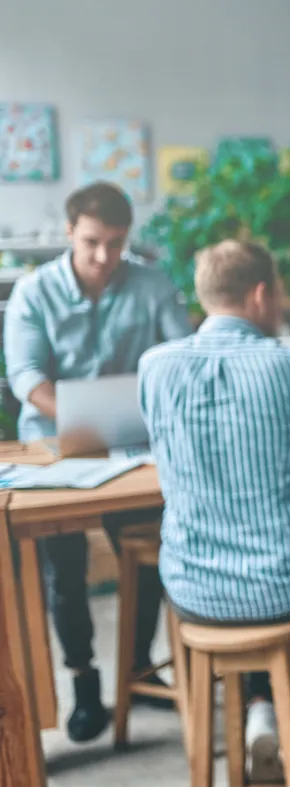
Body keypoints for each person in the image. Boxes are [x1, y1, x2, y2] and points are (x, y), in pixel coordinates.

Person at [138, 240, 290, 781]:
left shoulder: (154, 367)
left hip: (192, 590)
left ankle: (259, 710)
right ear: (260, 294)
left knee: (243, 587)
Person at [2, 182, 192, 742]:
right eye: (92, 242)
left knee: (152, 549)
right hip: (53, 448)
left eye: (116, 242)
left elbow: (181, 356)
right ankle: (83, 683)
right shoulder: (34, 293)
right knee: (64, 571)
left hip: (136, 445)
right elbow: (26, 378)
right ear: (69, 233)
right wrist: (78, 420)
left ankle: (137, 671)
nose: (105, 257)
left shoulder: (152, 284)